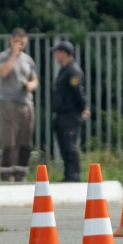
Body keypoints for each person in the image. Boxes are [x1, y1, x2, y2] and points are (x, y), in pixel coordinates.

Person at [0, 28, 39, 181]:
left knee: (25, 137)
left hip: (26, 101)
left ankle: (21, 171)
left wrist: (31, 85)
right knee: (9, 137)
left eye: (22, 42)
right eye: (16, 41)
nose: (19, 44)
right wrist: (13, 55)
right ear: (11, 40)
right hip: (9, 101)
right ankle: (6, 171)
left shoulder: (28, 60)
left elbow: (34, 79)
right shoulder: (3, 56)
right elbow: (3, 72)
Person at [50, 41, 88, 183]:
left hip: (70, 114)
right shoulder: (64, 69)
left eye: (57, 52)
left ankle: (73, 175)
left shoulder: (73, 71)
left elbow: (78, 92)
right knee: (64, 144)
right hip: (62, 114)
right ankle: (68, 175)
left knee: (69, 145)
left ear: (64, 53)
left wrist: (83, 108)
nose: (55, 55)